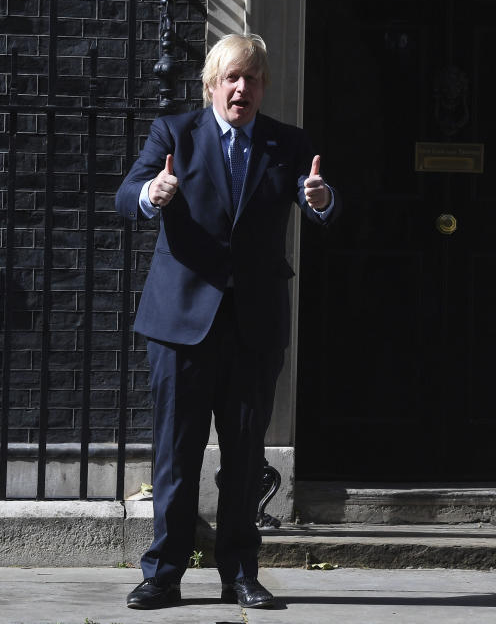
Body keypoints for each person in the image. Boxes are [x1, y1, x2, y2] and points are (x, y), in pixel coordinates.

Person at [115, 33, 339, 609]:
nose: (243, 88)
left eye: (254, 78)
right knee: (176, 454)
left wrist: (319, 200)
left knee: (244, 456)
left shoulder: (286, 142)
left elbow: (312, 197)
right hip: (181, 324)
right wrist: (152, 192)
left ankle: (240, 572)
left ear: (263, 86)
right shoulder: (175, 133)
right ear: (212, 83)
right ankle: (163, 572)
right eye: (233, 78)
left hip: (252, 325)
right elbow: (126, 195)